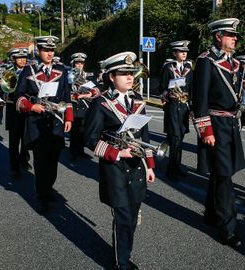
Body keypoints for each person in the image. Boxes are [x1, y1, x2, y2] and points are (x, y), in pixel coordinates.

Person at [84, 52, 156, 270]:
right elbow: (90, 139)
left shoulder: (137, 101)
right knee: (123, 216)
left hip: (137, 167)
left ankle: (125, 253)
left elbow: (145, 137)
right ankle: (121, 263)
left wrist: (150, 166)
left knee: (133, 217)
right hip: (115, 167)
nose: (129, 77)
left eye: (131, 73)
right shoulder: (101, 103)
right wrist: (116, 153)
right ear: (111, 77)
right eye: (123, 73)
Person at [193, 18, 245, 248]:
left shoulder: (235, 64)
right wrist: (205, 129)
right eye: (231, 35)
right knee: (225, 177)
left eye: (235, 35)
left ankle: (210, 214)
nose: (235, 38)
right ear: (219, 36)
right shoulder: (206, 61)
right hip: (215, 124)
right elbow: (199, 99)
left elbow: (238, 99)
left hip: (231, 123)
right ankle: (228, 228)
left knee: (221, 172)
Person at [15, 36, 73, 213]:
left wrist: (69, 117)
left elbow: (67, 97)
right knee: (41, 162)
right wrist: (32, 106)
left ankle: (48, 189)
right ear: (38, 51)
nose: (49, 53)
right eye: (46, 50)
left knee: (54, 160)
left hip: (56, 121)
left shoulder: (61, 70)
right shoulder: (28, 70)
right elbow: (19, 96)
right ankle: (41, 196)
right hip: (36, 122)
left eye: (52, 50)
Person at [159, 40, 193, 181]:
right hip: (172, 107)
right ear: (174, 53)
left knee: (181, 137)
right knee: (175, 138)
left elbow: (192, 88)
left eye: (185, 51)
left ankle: (177, 166)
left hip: (184, 107)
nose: (184, 53)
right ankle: (171, 170)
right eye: (180, 51)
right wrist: (168, 94)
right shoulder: (168, 68)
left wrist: (192, 107)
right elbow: (161, 88)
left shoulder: (190, 68)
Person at [5, 48, 32, 180]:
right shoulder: (9, 73)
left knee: (26, 139)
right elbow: (4, 92)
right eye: (19, 58)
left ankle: (24, 159)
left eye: (24, 57)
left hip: (27, 110)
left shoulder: (30, 71)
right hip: (13, 110)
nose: (22, 60)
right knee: (14, 141)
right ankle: (14, 167)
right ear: (13, 59)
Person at [68, 52, 98, 161]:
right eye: (77, 63)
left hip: (86, 106)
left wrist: (90, 93)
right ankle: (73, 152)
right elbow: (67, 91)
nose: (79, 65)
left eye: (81, 63)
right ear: (73, 64)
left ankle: (80, 151)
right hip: (75, 106)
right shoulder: (69, 75)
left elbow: (95, 88)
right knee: (74, 131)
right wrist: (75, 95)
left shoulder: (88, 75)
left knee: (83, 130)